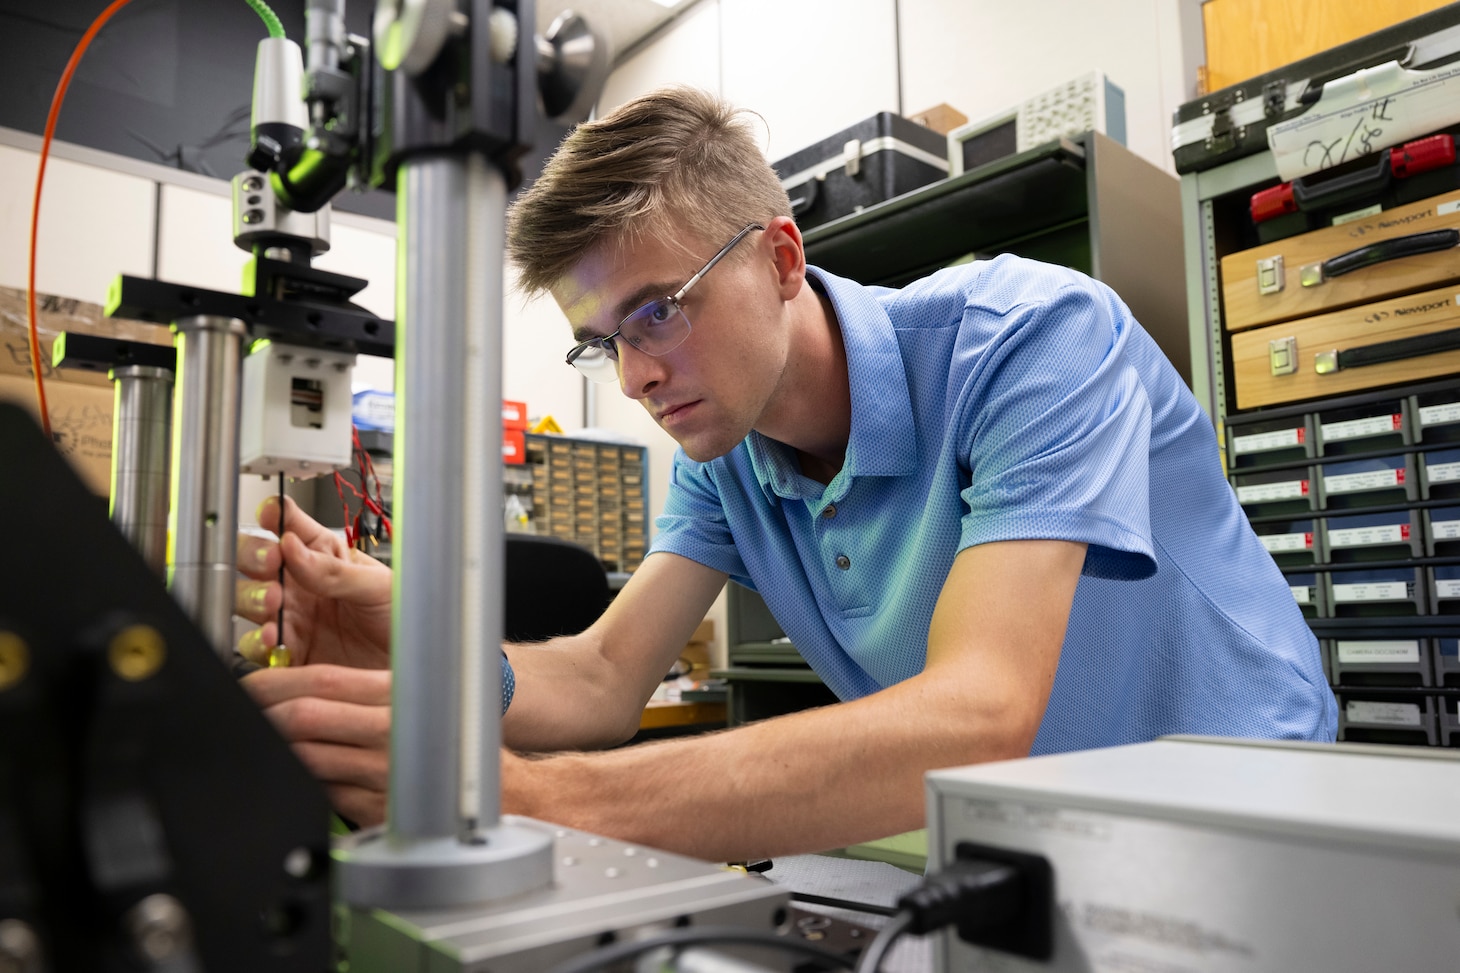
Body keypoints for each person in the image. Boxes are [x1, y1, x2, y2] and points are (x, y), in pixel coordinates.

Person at [234, 85, 1337, 862]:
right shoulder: (727, 455)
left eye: (656, 313)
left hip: (1247, 809)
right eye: (602, 340)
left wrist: (540, 799)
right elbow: (602, 678)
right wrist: (421, 650)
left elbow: (979, 710)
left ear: (779, 256)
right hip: (1037, 827)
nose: (632, 377)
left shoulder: (1028, 337)